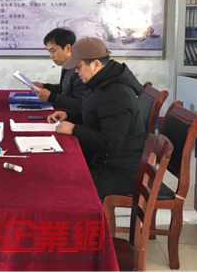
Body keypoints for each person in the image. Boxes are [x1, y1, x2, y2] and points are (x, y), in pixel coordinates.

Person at [48, 37, 145, 200]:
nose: (76, 72)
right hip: (103, 160)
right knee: (57, 168)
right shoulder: (101, 82)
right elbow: (96, 112)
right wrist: (69, 115)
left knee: (62, 187)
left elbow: (110, 143)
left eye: (78, 67)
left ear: (95, 64)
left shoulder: (117, 95)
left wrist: (74, 129)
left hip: (118, 171)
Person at [32, 28, 90, 111]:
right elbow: (66, 89)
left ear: (68, 48)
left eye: (53, 51)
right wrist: (44, 86)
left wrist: (52, 97)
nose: (51, 56)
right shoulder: (67, 65)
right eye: (49, 51)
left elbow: (81, 104)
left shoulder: (79, 69)